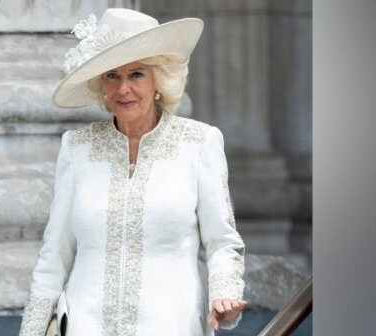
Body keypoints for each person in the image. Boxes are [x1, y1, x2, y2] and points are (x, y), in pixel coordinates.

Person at [19, 8, 247, 336]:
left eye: (136, 74)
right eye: (112, 75)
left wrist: (225, 293)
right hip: (86, 326)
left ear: (159, 79)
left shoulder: (199, 142)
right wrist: (31, 330)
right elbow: (54, 255)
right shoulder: (77, 147)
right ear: (102, 84)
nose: (123, 88)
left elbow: (222, 241)